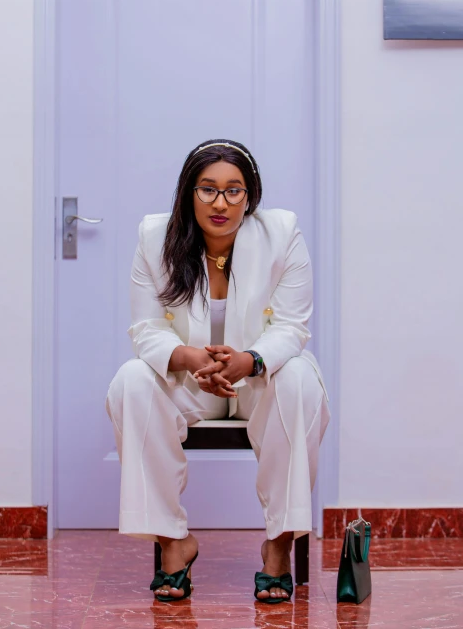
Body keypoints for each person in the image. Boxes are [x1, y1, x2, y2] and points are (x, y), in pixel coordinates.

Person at [106, 139, 330, 604]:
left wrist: (249, 360)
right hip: (190, 381)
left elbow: (292, 326)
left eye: (234, 191)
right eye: (208, 189)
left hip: (258, 379)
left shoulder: (282, 232)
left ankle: (278, 545)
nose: (221, 203)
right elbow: (146, 327)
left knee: (301, 377)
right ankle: (173, 542)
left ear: (250, 197)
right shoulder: (155, 237)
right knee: (130, 378)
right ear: (189, 192)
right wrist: (187, 358)